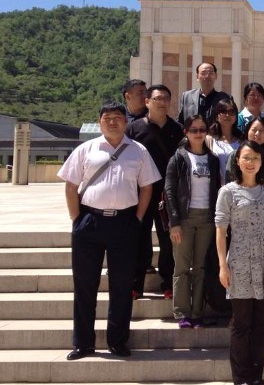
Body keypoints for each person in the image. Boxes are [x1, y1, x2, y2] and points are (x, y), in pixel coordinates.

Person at [58, 102, 160, 360]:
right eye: (107, 118)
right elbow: (71, 186)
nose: (112, 122)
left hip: (124, 223)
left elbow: (147, 187)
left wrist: (138, 218)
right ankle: (83, 343)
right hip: (89, 222)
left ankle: (117, 341)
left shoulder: (138, 151)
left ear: (125, 121)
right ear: (100, 122)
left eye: (117, 117)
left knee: (122, 285)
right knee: (85, 285)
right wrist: (76, 219)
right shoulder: (86, 149)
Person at [216, 141, 264, 385]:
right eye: (246, 157)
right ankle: (241, 376)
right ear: (237, 161)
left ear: (261, 161)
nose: (250, 162)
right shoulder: (228, 192)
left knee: (260, 322)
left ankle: (257, 374)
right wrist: (222, 265)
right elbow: (221, 231)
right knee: (242, 322)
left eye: (255, 158)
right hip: (240, 262)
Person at [124, 84, 183, 300]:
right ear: (147, 102)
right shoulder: (134, 129)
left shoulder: (177, 129)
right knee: (139, 236)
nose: (163, 102)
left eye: (166, 98)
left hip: (167, 193)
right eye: (158, 98)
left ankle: (168, 283)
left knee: (168, 239)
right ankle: (135, 284)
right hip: (141, 192)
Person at [165, 115, 222, 328]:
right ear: (186, 132)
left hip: (207, 218)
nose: (198, 134)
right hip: (184, 218)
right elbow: (169, 191)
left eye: (202, 130)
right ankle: (182, 313)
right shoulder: (178, 158)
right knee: (181, 267)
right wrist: (174, 222)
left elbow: (217, 189)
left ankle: (198, 313)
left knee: (200, 267)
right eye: (194, 130)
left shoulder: (213, 159)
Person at [177, 62, 231, 126]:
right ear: (197, 77)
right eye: (203, 73)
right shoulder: (187, 96)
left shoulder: (225, 98)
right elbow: (180, 122)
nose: (207, 76)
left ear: (216, 76)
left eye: (211, 73)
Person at [206, 98, 243, 181]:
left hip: (237, 186)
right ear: (216, 116)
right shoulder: (209, 140)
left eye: (231, 112)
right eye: (223, 111)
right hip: (215, 186)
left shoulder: (242, 140)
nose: (227, 115)